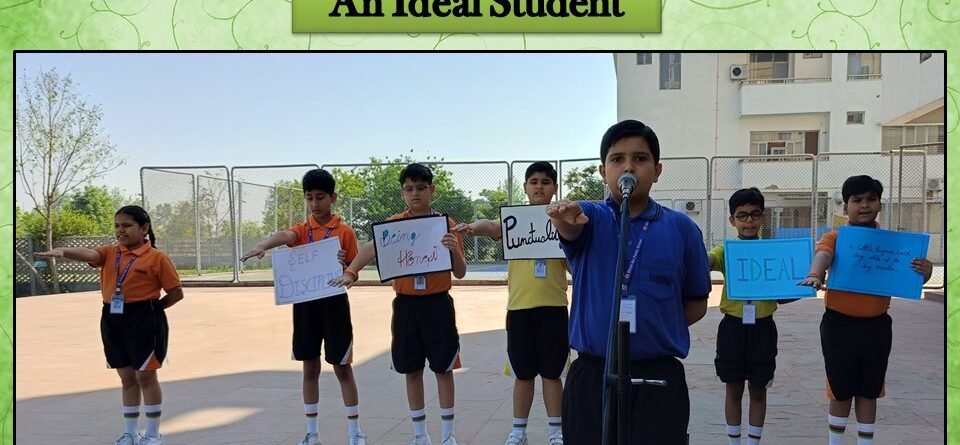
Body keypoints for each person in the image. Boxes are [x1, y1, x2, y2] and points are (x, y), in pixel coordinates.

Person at [545, 119, 712, 444]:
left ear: (657, 169)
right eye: (617, 159)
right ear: (603, 171)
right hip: (593, 375)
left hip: (658, 377)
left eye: (640, 158)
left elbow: (696, 304)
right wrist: (565, 220)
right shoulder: (590, 217)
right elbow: (571, 228)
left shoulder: (682, 229)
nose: (628, 167)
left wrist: (654, 327)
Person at [331, 163, 467, 445]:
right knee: (411, 369)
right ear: (402, 193)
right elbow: (371, 247)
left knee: (443, 368)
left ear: (432, 190)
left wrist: (454, 251)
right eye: (409, 189)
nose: (415, 193)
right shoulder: (394, 224)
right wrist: (351, 271)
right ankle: (420, 435)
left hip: (438, 305)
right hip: (406, 305)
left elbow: (461, 272)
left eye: (421, 188)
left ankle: (448, 435)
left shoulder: (446, 224)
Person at [798, 175, 933, 445]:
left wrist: (926, 271)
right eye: (857, 200)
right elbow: (824, 254)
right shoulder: (835, 237)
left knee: (869, 390)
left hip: (877, 327)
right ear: (845, 206)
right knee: (840, 389)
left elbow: (912, 277)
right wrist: (815, 273)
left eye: (871, 199)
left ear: (880, 204)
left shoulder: (893, 244)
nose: (864, 205)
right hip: (838, 327)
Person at [35, 205, 184, 445]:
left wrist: (152, 312)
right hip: (112, 318)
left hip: (144, 319)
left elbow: (176, 293)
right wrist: (64, 251)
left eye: (127, 225)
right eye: (116, 226)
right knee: (127, 378)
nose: (120, 230)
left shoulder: (157, 258)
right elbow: (91, 255)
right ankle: (130, 433)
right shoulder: (110, 253)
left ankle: (153, 434)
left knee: (145, 376)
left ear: (144, 228)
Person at [239, 168, 367, 445]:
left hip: (334, 305)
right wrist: (264, 246)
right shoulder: (302, 230)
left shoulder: (344, 232)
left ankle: (355, 432)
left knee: (342, 367)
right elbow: (285, 235)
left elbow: (353, 272)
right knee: (310, 367)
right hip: (306, 306)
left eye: (320, 197)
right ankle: (312, 432)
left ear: (333, 197)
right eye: (309, 197)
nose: (314, 203)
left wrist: (344, 267)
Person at [452, 161, 568, 445]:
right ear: (525, 187)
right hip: (519, 309)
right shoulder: (515, 220)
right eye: (533, 182)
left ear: (554, 187)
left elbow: (573, 262)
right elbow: (491, 225)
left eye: (545, 182)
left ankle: (556, 432)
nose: (539, 187)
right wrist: (472, 228)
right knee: (523, 374)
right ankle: (518, 431)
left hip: (554, 307)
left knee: (552, 374)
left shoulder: (563, 220)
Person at [708, 187, 796, 445]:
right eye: (742, 215)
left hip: (763, 328)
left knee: (759, 389)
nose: (749, 221)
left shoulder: (772, 252)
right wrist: (696, 258)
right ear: (732, 219)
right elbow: (709, 260)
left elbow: (782, 295)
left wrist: (804, 286)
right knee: (733, 387)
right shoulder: (726, 250)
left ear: (763, 217)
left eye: (755, 215)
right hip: (732, 328)